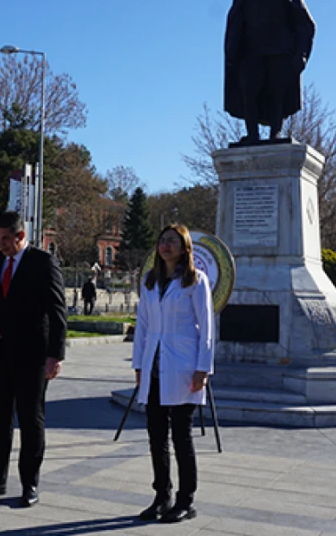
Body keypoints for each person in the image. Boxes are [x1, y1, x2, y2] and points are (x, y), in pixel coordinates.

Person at [0, 211, 67, 508]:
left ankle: (29, 483)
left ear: (21, 236)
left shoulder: (42, 262)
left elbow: (58, 312)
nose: (1, 245)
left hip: (33, 356)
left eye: (6, 239)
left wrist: (55, 355)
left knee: (30, 420)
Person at [132, 224, 214, 523]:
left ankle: (185, 499)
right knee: (156, 436)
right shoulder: (151, 281)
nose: (165, 246)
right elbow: (142, 326)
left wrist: (203, 368)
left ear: (184, 247)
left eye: (172, 241)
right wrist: (139, 365)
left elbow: (206, 327)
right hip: (154, 366)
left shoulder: (195, 280)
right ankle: (161, 495)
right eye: (162, 240)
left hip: (184, 366)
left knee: (182, 435)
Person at [224, 0, 315, 145]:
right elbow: (235, 26)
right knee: (249, 93)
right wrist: (232, 52)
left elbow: (305, 24)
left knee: (277, 93)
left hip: (279, 52)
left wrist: (301, 54)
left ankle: (276, 133)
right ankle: (252, 134)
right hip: (251, 53)